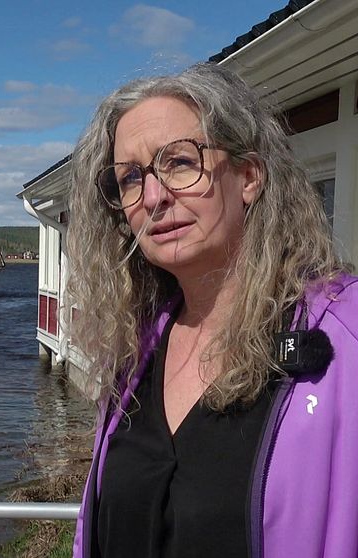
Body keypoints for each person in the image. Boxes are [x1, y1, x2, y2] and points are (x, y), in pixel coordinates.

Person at [66, 62, 358, 557]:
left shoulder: (344, 337)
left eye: (180, 162)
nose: (154, 197)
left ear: (248, 176)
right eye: (131, 177)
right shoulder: (138, 351)